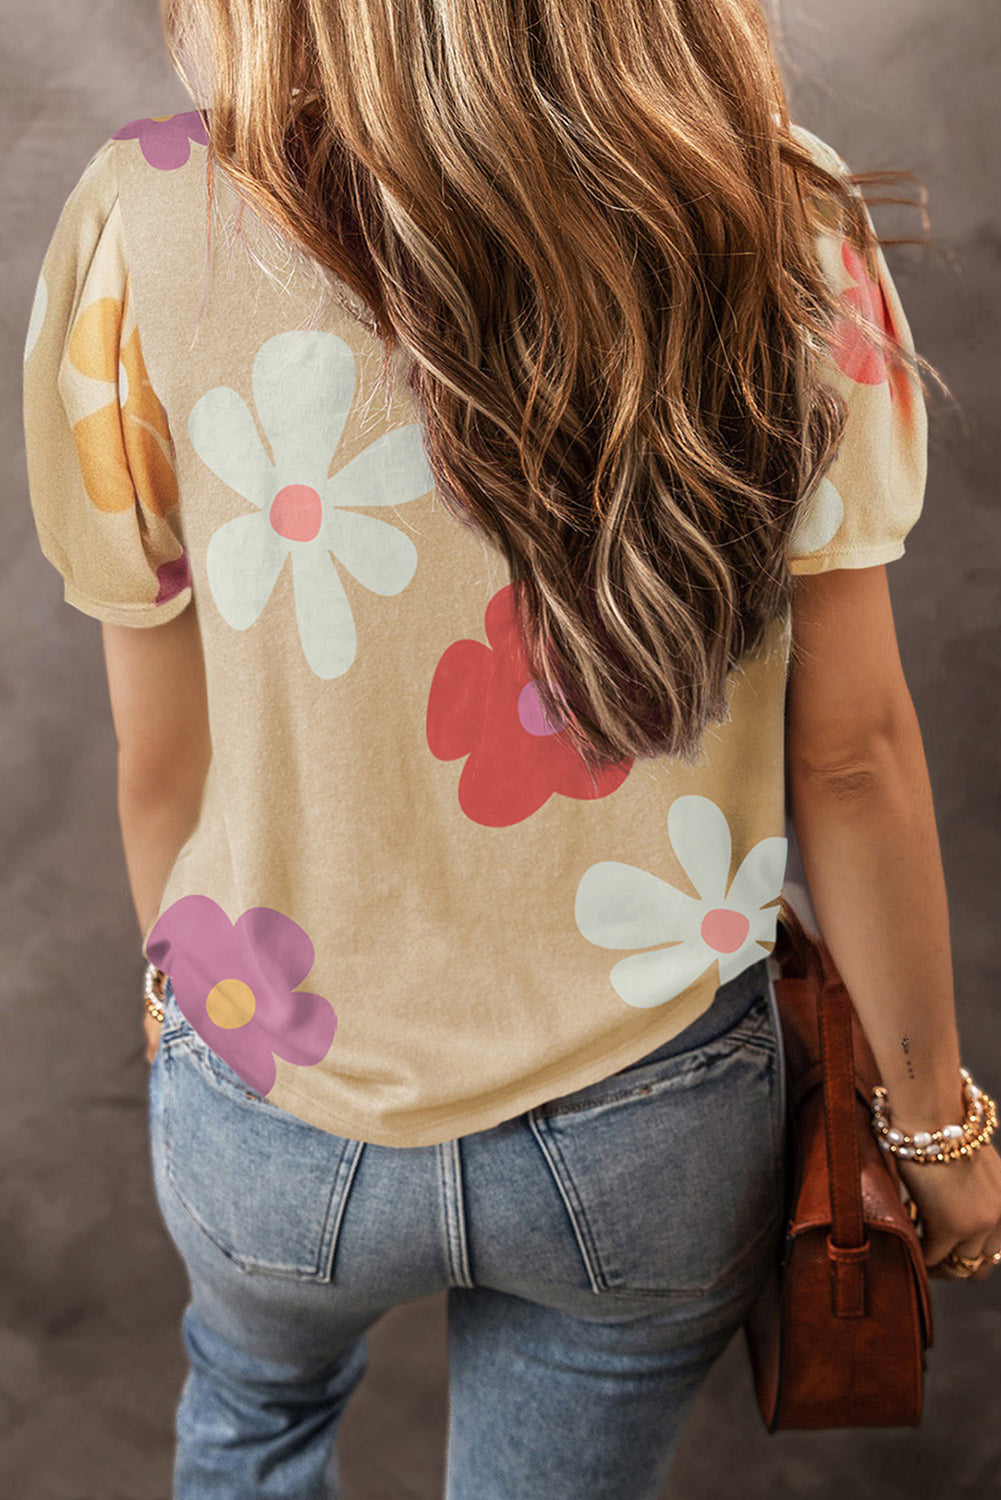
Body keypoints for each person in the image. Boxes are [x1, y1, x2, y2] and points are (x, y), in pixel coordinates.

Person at [20, 1, 1001, 1496]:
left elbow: (162, 765)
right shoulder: (777, 215)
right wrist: (934, 1133)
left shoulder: (144, 212)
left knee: (251, 1422)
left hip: (269, 1097)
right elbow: (852, 757)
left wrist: (188, 1013)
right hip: (650, 1120)